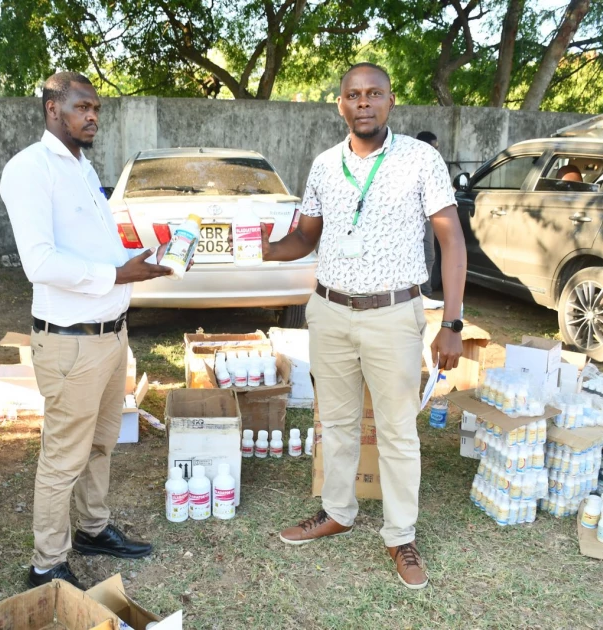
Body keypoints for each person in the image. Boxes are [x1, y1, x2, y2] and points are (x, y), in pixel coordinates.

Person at [263, 63, 467, 589]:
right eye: (354, 95)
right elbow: (304, 238)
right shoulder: (325, 165)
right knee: (335, 422)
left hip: (392, 313)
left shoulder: (421, 160)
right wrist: (258, 246)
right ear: (340, 104)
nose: (364, 103)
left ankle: (401, 535)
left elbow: (452, 242)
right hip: (329, 312)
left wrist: (453, 322)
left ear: (391, 101)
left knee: (397, 430)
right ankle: (337, 512)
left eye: (374, 93)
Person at [0, 71, 172, 590]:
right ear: (53, 109)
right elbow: (40, 262)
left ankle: (93, 529)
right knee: (63, 456)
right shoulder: (30, 169)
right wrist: (121, 273)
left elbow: (100, 252)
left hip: (111, 336)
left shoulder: (82, 168)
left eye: (96, 107)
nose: (93, 115)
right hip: (71, 341)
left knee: (101, 444)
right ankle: (47, 563)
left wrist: (139, 260)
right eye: (82, 107)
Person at [416, 131, 439, 301]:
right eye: (435, 147)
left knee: (429, 256)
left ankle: (425, 292)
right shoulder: (409, 165)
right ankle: (421, 294)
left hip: (427, 218)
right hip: (413, 219)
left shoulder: (434, 164)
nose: (437, 151)